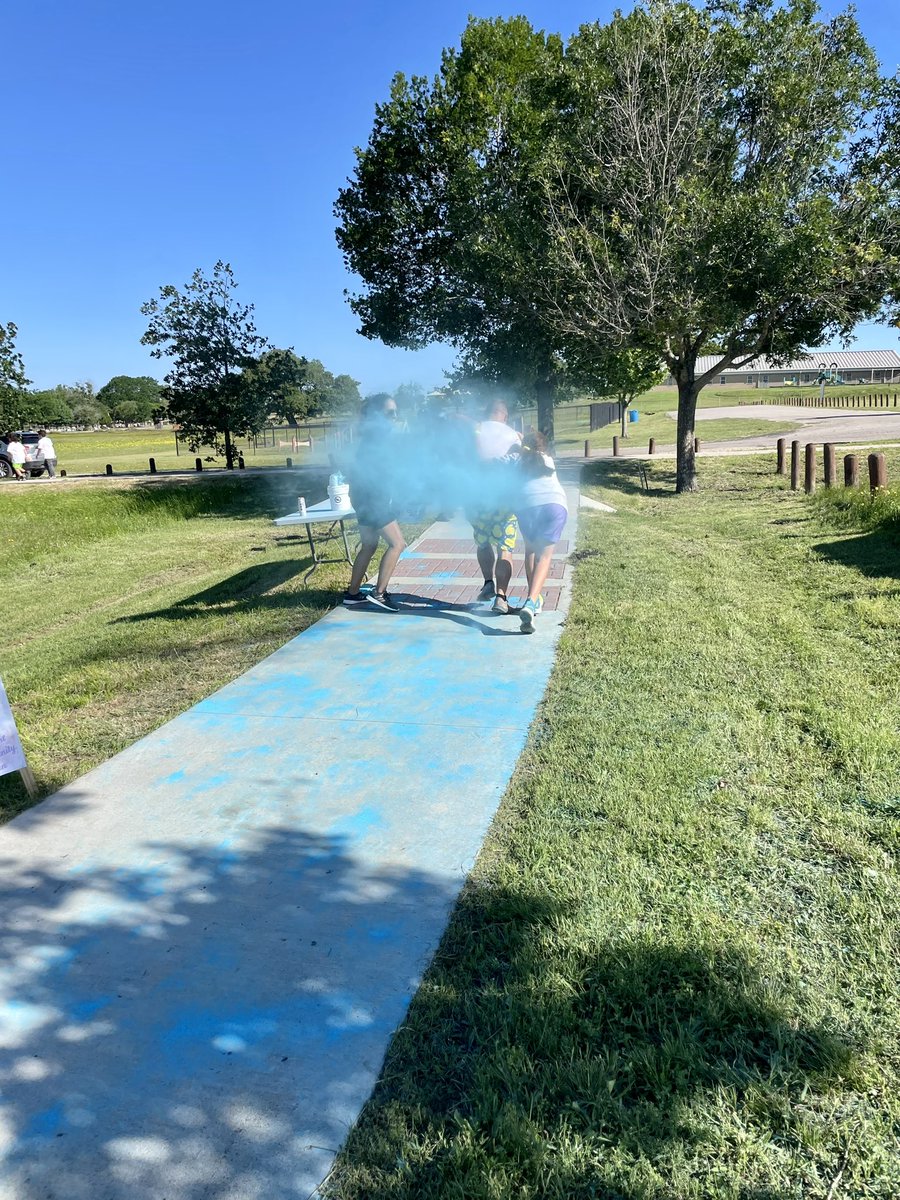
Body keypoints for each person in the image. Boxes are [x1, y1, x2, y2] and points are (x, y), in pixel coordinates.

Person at [343, 394, 406, 612]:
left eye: (396, 413)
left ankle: (352, 594)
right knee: (398, 544)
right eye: (390, 413)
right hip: (373, 498)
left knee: (369, 545)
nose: (395, 417)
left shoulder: (371, 435)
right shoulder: (379, 438)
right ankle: (379, 594)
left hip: (363, 497)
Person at [467, 399, 522, 614]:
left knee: (482, 543)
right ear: (505, 415)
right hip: (504, 499)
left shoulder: (476, 430)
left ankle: (488, 582)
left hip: (477, 499)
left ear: (486, 412)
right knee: (505, 547)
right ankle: (501, 597)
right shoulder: (514, 434)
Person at [515, 431, 569, 634]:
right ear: (543, 447)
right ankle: (531, 601)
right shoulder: (548, 460)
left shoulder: (518, 462)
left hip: (526, 506)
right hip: (554, 505)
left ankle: (533, 599)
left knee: (530, 550)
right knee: (544, 558)